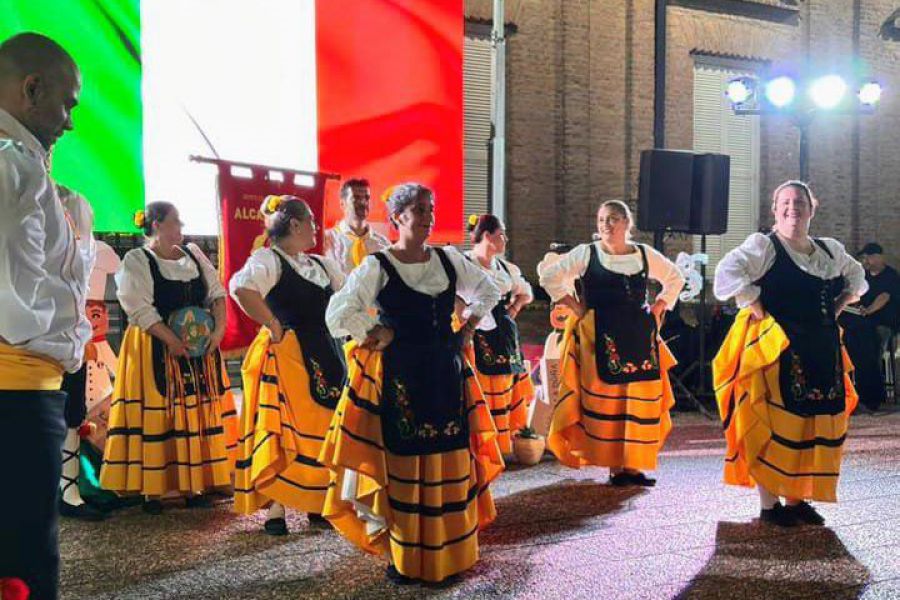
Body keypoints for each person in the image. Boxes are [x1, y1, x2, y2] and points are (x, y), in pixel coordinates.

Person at [321, 183, 503, 584]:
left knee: (448, 452)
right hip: (401, 377)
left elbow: (490, 288)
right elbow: (338, 313)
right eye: (420, 209)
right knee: (406, 458)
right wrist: (374, 331)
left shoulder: (449, 260)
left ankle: (450, 554)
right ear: (398, 217)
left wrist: (469, 327)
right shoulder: (378, 266)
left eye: (430, 208)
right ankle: (406, 558)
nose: (428, 216)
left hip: (444, 371)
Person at [713, 180, 866, 527]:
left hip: (821, 348)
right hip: (775, 350)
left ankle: (797, 499)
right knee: (771, 423)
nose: (792, 208)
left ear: (812, 209)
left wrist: (840, 303)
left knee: (810, 424)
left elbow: (856, 277)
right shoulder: (764, 246)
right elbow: (727, 272)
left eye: (799, 202)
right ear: (774, 209)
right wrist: (755, 307)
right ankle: (770, 506)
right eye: (785, 202)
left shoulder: (829, 250)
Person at [0, 32, 91, 600]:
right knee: (23, 563)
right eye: (67, 102)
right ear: (32, 89)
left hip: (30, 387)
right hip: (14, 392)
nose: (69, 121)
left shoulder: (27, 167)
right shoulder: (13, 168)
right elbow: (19, 297)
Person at [99, 202, 238, 514]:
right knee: (163, 409)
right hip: (156, 345)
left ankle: (201, 480)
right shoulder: (138, 260)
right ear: (157, 224)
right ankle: (159, 487)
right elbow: (139, 308)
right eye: (176, 220)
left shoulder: (193, 255)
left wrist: (217, 332)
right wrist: (171, 339)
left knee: (199, 408)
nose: (181, 225)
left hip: (199, 348)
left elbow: (216, 294)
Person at [538, 200, 685, 486]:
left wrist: (659, 306)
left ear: (627, 224)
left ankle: (633, 466)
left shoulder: (644, 254)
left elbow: (674, 277)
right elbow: (549, 276)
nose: (607, 224)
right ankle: (615, 467)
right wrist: (575, 307)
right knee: (609, 402)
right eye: (602, 219)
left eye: (614, 218)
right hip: (598, 336)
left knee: (638, 401)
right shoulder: (587, 253)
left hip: (638, 334)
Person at [230, 195, 347, 535]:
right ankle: (275, 509)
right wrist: (274, 324)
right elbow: (242, 288)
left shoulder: (323, 265)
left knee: (323, 427)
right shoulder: (269, 259)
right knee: (280, 431)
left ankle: (316, 501)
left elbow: (346, 301)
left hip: (326, 354)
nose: (315, 226)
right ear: (294, 225)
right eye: (310, 220)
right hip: (287, 358)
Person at [55, 183, 107, 521]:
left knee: (72, 415)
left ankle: (69, 490)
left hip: (67, 339)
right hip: (23, 344)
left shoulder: (76, 247)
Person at [462, 213, 535, 453]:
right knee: (478, 388)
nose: (506, 239)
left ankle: (501, 445)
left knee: (504, 384)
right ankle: (480, 445)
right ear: (486, 236)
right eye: (501, 234)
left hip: (503, 334)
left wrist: (512, 308)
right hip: (475, 333)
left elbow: (526, 292)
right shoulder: (464, 264)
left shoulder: (506, 268)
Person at [323, 178, 390, 274]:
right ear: (342, 204)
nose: (363, 203)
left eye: (366, 198)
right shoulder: (328, 240)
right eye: (356, 198)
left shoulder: (383, 244)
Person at [858, 242, 900, 348]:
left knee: (877, 341)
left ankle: (878, 363)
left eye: (868, 258)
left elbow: (884, 297)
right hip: (867, 320)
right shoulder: (865, 275)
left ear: (879, 257)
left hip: (885, 322)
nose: (865, 261)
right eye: (864, 258)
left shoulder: (891, 275)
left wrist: (868, 310)